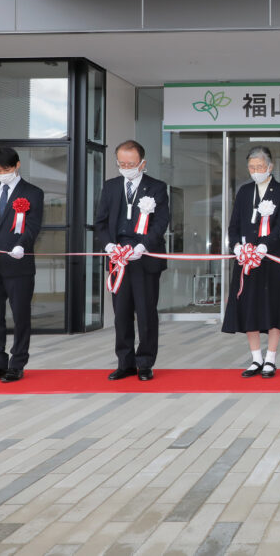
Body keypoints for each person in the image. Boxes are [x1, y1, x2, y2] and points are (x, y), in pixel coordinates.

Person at [95, 140, 170, 381]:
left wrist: (143, 246)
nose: (126, 168)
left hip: (144, 257)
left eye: (131, 164)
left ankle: (145, 362)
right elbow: (101, 222)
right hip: (119, 259)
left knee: (146, 312)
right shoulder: (111, 187)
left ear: (142, 163)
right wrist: (108, 245)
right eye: (122, 164)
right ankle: (125, 362)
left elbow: (161, 222)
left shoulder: (157, 187)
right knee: (121, 313)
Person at [0, 147, 44, 383]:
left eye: (5, 169)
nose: (1, 173)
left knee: (20, 315)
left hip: (18, 264)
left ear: (17, 165)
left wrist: (22, 245)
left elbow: (32, 226)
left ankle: (17, 363)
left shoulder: (33, 193)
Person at [222, 146, 280, 377]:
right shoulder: (245, 191)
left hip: (272, 258)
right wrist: (236, 246)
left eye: (260, 167)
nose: (256, 171)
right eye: (252, 167)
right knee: (249, 307)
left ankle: (270, 359)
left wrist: (265, 245)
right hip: (246, 260)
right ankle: (256, 359)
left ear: (270, 167)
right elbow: (234, 224)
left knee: (274, 307)